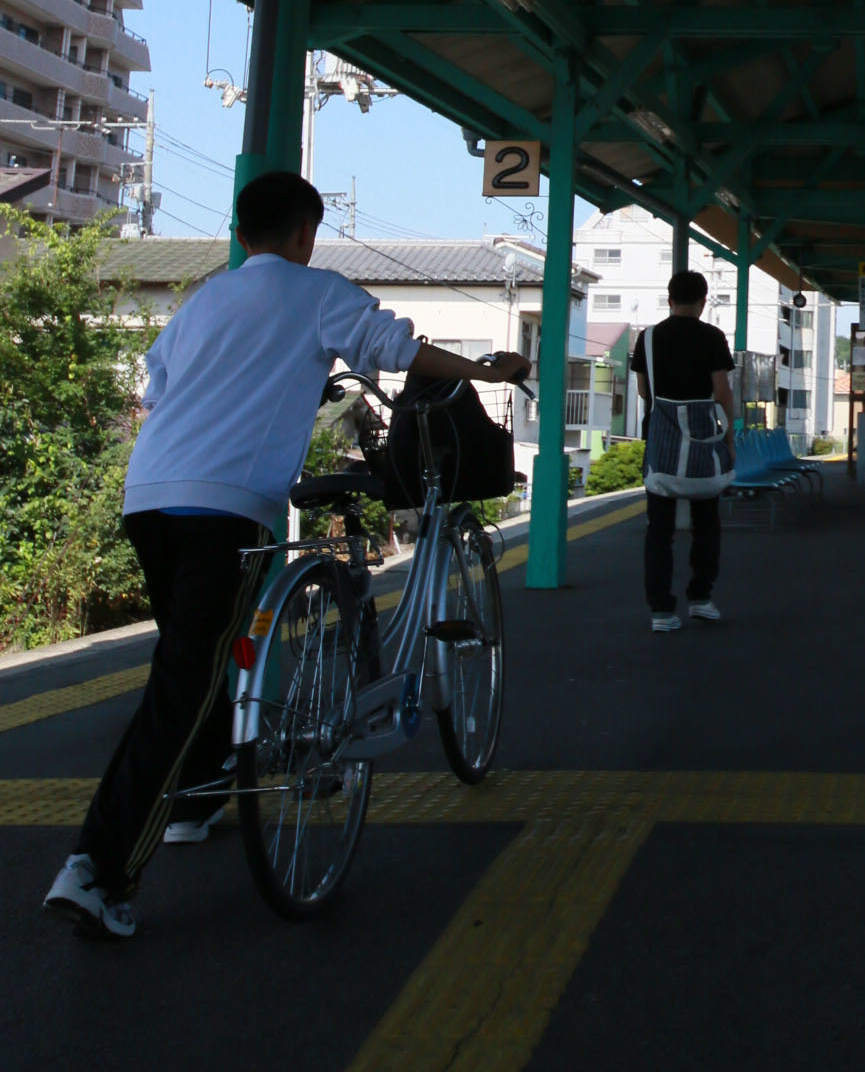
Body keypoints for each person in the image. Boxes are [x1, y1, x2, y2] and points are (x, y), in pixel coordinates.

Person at [43, 170, 529, 942]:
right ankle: (97, 870)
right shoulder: (315, 292)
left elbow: (157, 389)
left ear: (241, 235)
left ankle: (198, 804)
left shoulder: (206, 298)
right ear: (306, 236)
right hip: (225, 508)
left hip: (149, 497)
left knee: (191, 664)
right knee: (185, 684)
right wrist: (486, 370)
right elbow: (396, 348)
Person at [636, 268, 735, 632]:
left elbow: (645, 391)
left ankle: (661, 611)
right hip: (703, 439)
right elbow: (722, 390)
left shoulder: (647, 338)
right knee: (706, 522)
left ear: (670, 299)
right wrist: (729, 437)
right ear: (703, 301)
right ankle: (701, 598)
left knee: (658, 530)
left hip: (662, 441)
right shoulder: (712, 336)